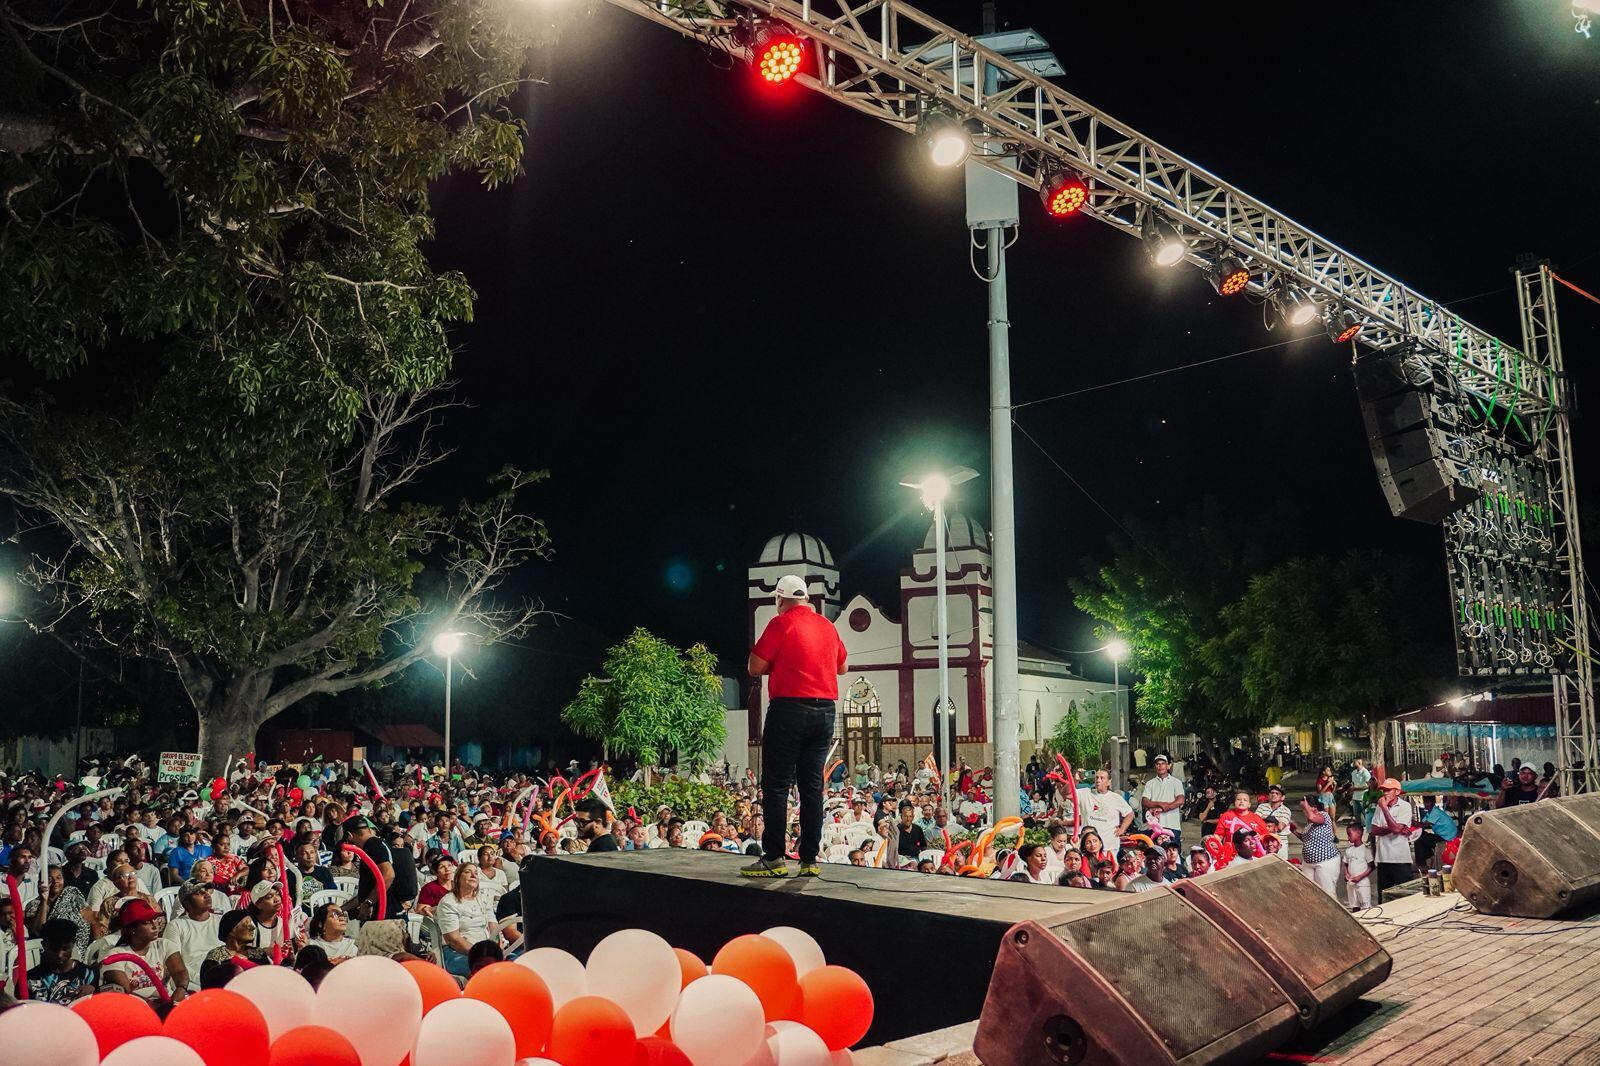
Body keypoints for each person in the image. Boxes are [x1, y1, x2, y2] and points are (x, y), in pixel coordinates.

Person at [745, 573, 848, 878]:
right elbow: (843, 667)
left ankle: (775, 858)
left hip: (789, 709)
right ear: (806, 598)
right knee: (812, 787)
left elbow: (754, 666)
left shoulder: (781, 622)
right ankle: (809, 859)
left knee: (777, 785)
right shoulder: (828, 626)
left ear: (780, 598)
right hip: (825, 712)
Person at [101, 898, 190, 1002]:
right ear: (132, 929)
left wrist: (181, 989)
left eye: (155, 919)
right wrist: (154, 1006)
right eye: (147, 922)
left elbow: (180, 971)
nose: (155, 925)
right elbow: (126, 993)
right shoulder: (115, 955)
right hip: (136, 1008)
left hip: (166, 1001)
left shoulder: (165, 945)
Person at [437, 863, 500, 978]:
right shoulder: (448, 902)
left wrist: (496, 949)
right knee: (486, 972)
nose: (473, 875)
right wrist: (480, 955)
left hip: (485, 951)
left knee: (515, 962)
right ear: (457, 878)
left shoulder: (482, 899)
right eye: (468, 872)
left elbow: (494, 927)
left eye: (476, 873)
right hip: (457, 952)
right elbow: (453, 939)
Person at [165, 881, 223, 992]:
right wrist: (202, 979)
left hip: (221, 976)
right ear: (187, 903)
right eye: (198, 893)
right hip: (191, 981)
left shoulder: (221, 921)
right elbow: (174, 964)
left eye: (206, 890)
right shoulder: (176, 925)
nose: (206, 894)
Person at [27, 918, 96, 1003]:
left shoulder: (89, 975)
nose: (59, 955)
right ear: (44, 945)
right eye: (54, 950)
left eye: (65, 949)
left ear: (73, 944)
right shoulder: (30, 979)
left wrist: (94, 992)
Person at [1369, 778, 1416, 896]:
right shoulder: (1380, 807)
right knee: (1385, 896)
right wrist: (1395, 827)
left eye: (1388, 790)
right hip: (1383, 858)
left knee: (1405, 895)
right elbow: (1374, 830)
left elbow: (1396, 829)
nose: (1385, 793)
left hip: (1400, 858)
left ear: (1397, 792)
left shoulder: (1405, 806)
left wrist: (1385, 810)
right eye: (1384, 790)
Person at [1290, 794, 1340, 898]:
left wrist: (1306, 806)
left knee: (1327, 893)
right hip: (1308, 863)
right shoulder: (1309, 824)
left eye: (1304, 808)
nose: (1303, 811)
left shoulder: (1323, 815)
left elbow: (1312, 817)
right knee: (1309, 893)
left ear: (1314, 807)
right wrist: (1294, 829)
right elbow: (1307, 839)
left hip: (1325, 861)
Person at [1076, 769, 1135, 848]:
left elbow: (1130, 813)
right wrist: (1074, 779)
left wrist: (1122, 829)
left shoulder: (1115, 798)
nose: (1098, 780)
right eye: (1096, 777)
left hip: (1109, 846)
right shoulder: (1085, 793)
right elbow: (1066, 794)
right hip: (1089, 847)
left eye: (1102, 778)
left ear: (1109, 782)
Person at [1138, 754, 1185, 849]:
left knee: (1174, 853)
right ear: (1155, 766)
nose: (1160, 766)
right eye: (1158, 764)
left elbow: (1180, 800)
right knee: (1156, 854)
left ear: (1167, 765)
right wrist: (1160, 804)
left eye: (1163, 763)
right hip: (1155, 826)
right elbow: (1144, 801)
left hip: (1172, 824)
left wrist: (1163, 809)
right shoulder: (1150, 783)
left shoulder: (1176, 782)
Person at [1414, 796, 1457, 869]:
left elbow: (1423, 825)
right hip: (1442, 835)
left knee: (1419, 839)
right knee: (1421, 835)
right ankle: (1428, 856)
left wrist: (1413, 823)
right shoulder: (1430, 813)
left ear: (1432, 802)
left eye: (1426, 802)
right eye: (1424, 802)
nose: (1425, 804)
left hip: (1446, 837)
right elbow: (1421, 824)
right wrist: (1414, 823)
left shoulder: (1435, 812)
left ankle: (1421, 864)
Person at [1341, 819, 1374, 911]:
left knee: (1365, 906)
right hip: (1351, 883)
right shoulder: (1348, 851)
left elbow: (1371, 866)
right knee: (1354, 905)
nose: (1348, 838)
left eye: (1349, 834)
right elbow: (1345, 864)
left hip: (1362, 883)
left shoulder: (1365, 850)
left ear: (1359, 833)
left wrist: (1360, 877)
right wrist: (1346, 874)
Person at [894, 802, 929, 868]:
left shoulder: (918, 829)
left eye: (910, 816)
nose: (908, 819)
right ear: (901, 817)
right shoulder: (896, 830)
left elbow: (923, 846)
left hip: (916, 858)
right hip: (901, 859)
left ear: (913, 817)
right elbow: (894, 850)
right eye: (905, 816)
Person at [1349, 759, 1372, 824]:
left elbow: (1368, 786)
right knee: (1356, 815)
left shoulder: (1365, 773)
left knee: (1366, 815)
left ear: (1359, 763)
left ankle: (1368, 830)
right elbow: (1353, 783)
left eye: (1354, 762)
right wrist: (1352, 790)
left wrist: (1355, 789)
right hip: (1355, 797)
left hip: (1363, 797)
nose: (1353, 764)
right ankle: (1359, 829)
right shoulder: (1353, 773)